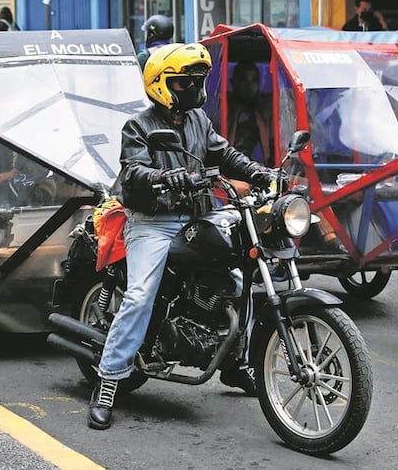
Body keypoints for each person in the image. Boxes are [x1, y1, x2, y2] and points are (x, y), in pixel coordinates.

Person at [88, 42, 274, 430]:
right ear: (162, 84)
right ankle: (109, 378)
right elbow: (133, 170)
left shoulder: (198, 122)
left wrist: (259, 172)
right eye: (186, 81)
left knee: (244, 272)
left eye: (197, 80)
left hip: (197, 215)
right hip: (153, 222)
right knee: (140, 295)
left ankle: (236, 363)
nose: (194, 87)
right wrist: (161, 176)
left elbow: (224, 154)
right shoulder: (138, 126)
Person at [226, 61, 273, 165]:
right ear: (233, 82)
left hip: (262, 170)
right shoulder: (222, 108)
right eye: (243, 80)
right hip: (233, 169)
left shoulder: (266, 110)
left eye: (254, 80)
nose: (249, 85)